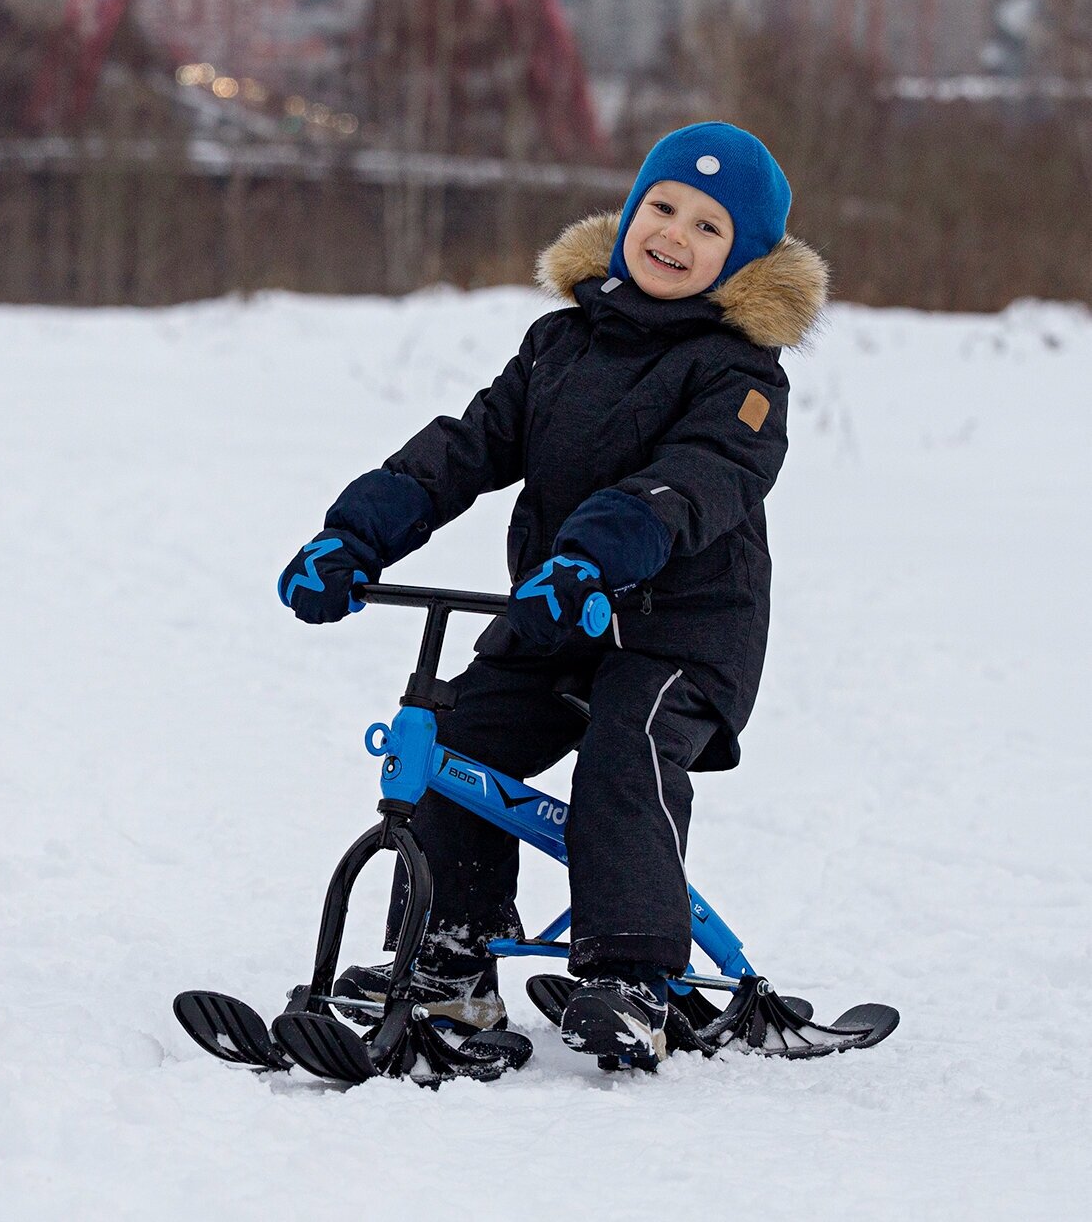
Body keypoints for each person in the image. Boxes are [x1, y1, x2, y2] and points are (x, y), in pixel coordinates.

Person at [278, 122, 827, 1067]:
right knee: (458, 736)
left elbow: (694, 481)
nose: (673, 234)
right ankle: (453, 956)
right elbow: (465, 446)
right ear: (629, 214)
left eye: (708, 227)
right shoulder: (559, 344)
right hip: (558, 612)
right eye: (661, 208)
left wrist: (594, 558)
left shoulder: (742, 377)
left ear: (741, 260)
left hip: (679, 634)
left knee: (625, 749)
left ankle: (631, 974)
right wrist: (354, 533)